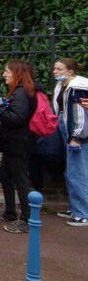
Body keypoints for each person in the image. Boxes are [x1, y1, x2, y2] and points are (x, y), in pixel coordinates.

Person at [0, 60, 37, 234]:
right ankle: (10, 212)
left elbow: (17, 118)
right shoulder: (24, 91)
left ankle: (27, 219)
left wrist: (2, 108)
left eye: (7, 71)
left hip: (18, 143)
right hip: (17, 142)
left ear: (17, 73)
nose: (4, 74)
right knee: (4, 174)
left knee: (21, 180)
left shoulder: (20, 92)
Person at [52, 58, 88, 227]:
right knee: (71, 170)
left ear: (70, 72)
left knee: (78, 172)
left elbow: (81, 114)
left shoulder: (78, 88)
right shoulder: (62, 86)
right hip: (65, 128)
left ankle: (83, 213)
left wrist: (77, 137)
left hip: (76, 133)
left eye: (59, 69)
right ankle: (75, 208)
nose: (55, 71)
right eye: (55, 68)